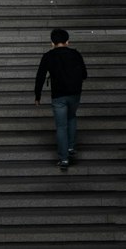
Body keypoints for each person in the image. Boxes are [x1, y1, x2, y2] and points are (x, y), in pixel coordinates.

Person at [34, 27, 87, 170]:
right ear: (67, 41)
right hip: (75, 93)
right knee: (72, 117)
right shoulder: (75, 54)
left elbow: (40, 77)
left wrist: (37, 96)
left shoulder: (48, 56)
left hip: (58, 96)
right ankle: (70, 147)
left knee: (61, 126)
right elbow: (84, 74)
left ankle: (64, 159)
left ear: (52, 43)